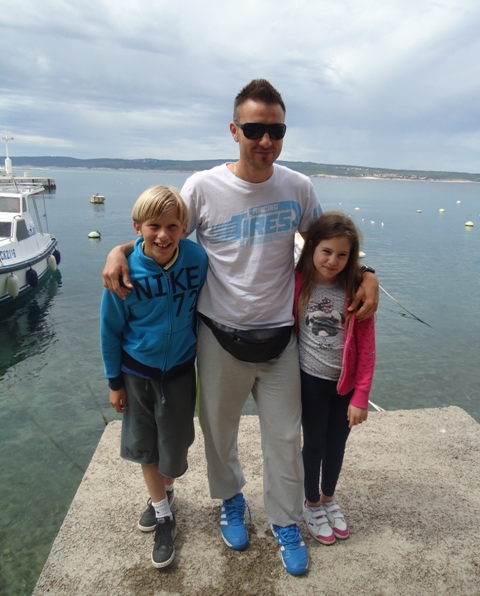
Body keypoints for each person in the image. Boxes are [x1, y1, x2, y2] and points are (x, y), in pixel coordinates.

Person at [102, 79, 379, 576]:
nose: (265, 140)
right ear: (234, 131)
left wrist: (368, 275)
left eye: (276, 130)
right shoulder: (202, 187)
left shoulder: (298, 187)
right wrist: (118, 250)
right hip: (218, 335)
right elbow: (161, 234)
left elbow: (329, 245)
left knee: (284, 439)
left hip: (280, 339)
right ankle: (231, 500)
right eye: (254, 129)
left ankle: (285, 521)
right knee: (219, 434)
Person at [100, 186, 208, 570]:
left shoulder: (197, 259)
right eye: (154, 226)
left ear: (184, 229)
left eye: (172, 226)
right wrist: (114, 382)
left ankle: (166, 491)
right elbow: (110, 330)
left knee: (174, 448)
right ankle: (163, 515)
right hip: (137, 373)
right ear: (138, 228)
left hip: (179, 371)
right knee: (147, 448)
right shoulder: (124, 273)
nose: (163, 235)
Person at [294, 212, 376, 546]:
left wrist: (361, 396)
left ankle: (328, 498)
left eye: (342, 255)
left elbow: (367, 349)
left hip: (344, 386)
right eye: (326, 251)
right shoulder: (297, 282)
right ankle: (311, 503)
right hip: (310, 382)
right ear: (312, 246)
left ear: (352, 257)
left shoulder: (355, 291)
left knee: (336, 444)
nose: (333, 261)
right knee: (313, 443)